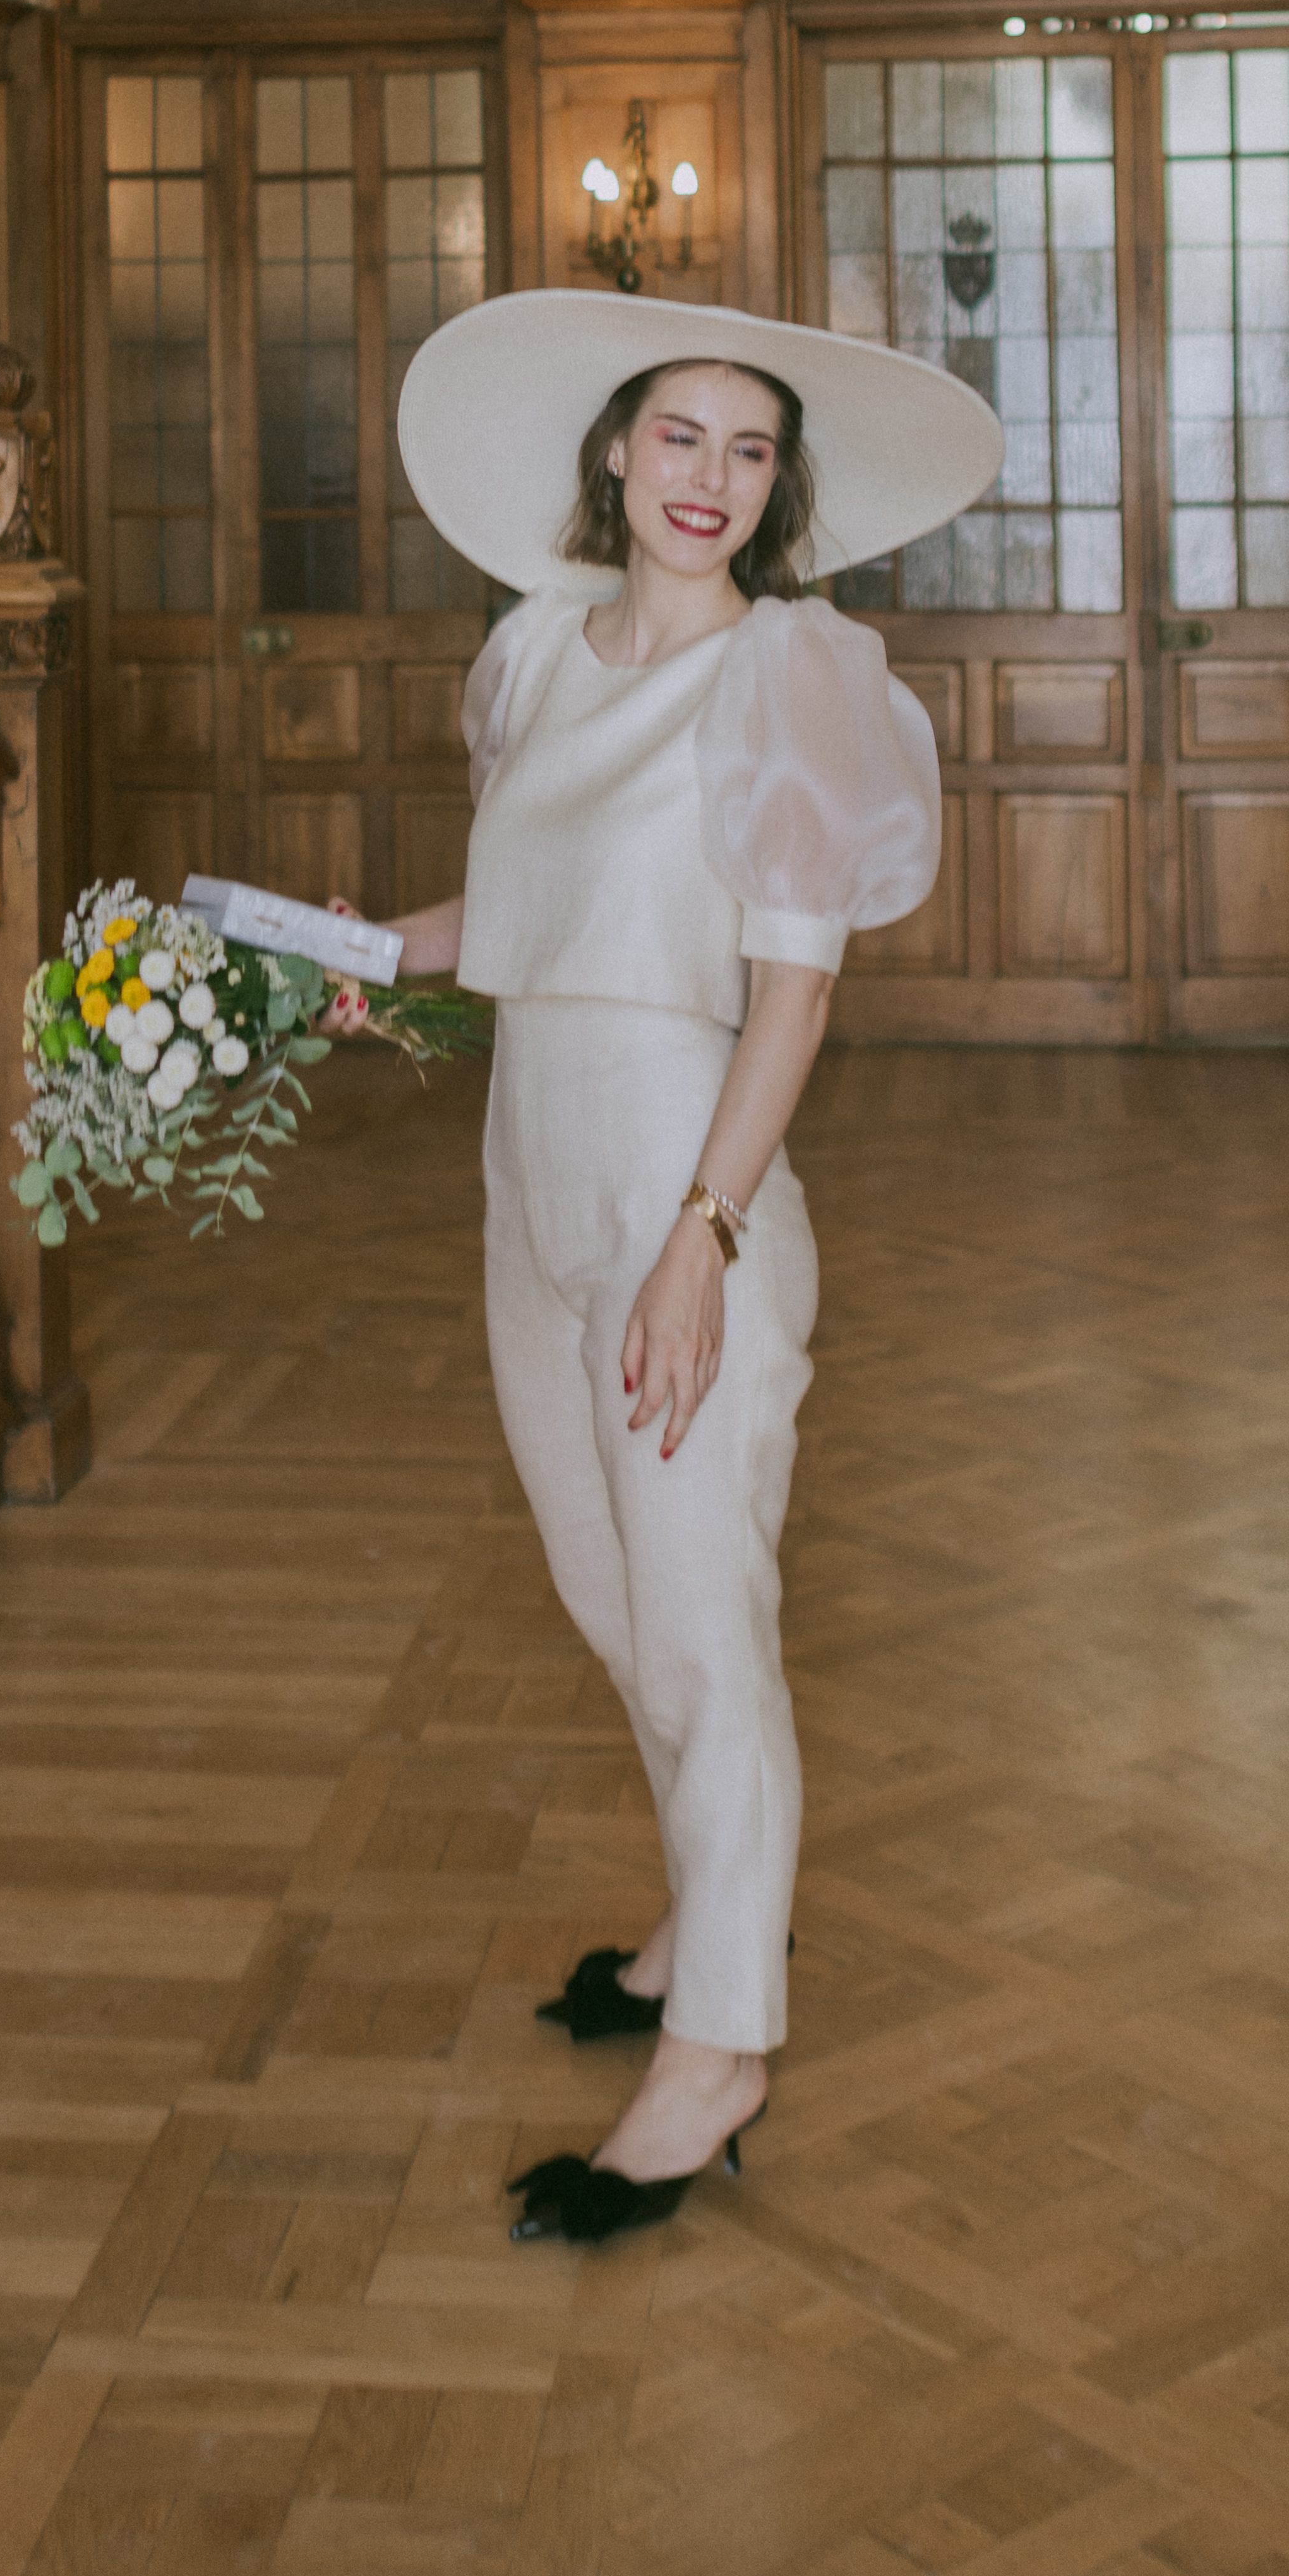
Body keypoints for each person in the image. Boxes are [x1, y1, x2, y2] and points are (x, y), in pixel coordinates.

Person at [374, 290, 1000, 2244]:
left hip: (679, 1194)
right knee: (613, 1603)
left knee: (703, 1628)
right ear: (613, 454)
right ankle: (694, 1917)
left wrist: (700, 1245)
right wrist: (334, 956)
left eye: (749, 451)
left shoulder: (786, 681)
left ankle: (717, 2049)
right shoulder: (537, 656)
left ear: (777, 486)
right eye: (678, 440)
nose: (711, 481)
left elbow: (791, 999)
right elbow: (524, 903)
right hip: (525, 1183)